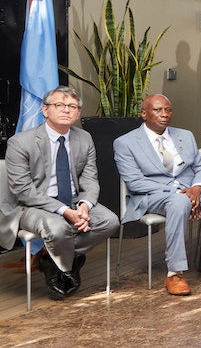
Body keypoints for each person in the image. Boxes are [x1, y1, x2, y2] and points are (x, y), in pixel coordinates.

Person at [112, 95, 201, 295]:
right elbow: (134, 182)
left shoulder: (185, 135)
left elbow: (200, 168)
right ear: (144, 114)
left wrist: (197, 188)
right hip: (153, 194)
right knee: (178, 201)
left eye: (168, 110)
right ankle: (174, 273)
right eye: (158, 110)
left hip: (191, 191)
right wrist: (181, 194)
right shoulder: (125, 143)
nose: (164, 114)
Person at [1, 87, 118, 299]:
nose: (66, 110)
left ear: (78, 113)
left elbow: (90, 179)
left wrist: (84, 206)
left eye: (72, 106)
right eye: (59, 105)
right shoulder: (20, 142)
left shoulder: (84, 138)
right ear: (45, 110)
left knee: (110, 221)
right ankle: (65, 266)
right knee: (57, 228)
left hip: (73, 200)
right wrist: (64, 211)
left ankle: (49, 257)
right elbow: (23, 190)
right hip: (32, 205)